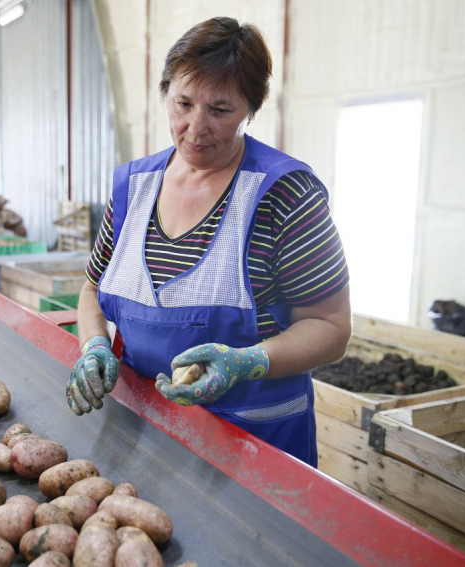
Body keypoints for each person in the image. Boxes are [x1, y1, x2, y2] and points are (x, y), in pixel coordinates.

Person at [68, 17, 351, 467]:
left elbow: (331, 329)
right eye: (182, 103)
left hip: (256, 447)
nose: (195, 128)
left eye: (220, 111)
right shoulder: (133, 187)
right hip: (148, 435)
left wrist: (247, 362)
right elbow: (91, 291)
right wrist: (94, 345)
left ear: (252, 110)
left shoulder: (286, 195)